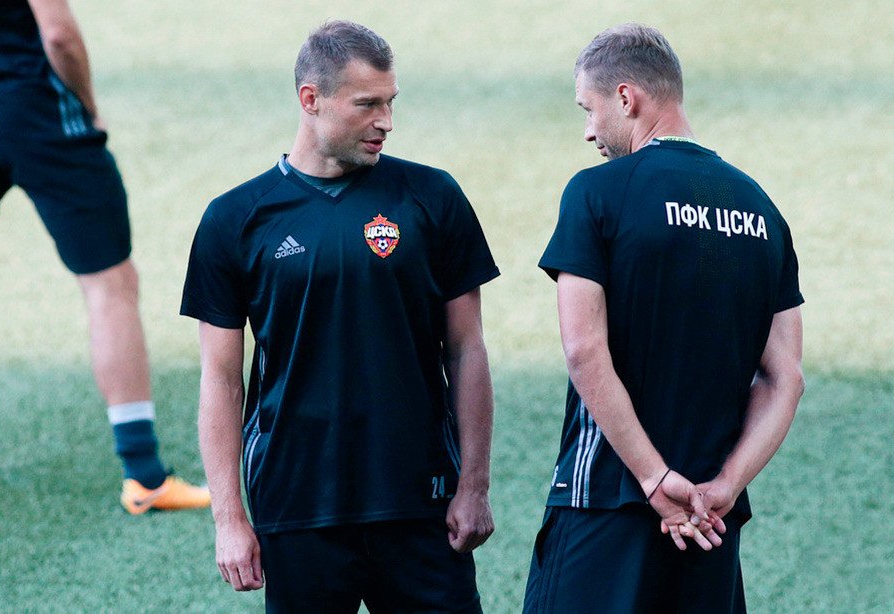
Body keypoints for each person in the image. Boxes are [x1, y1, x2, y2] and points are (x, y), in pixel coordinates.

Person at [181, 20, 499, 612]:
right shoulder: (235, 219)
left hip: (419, 500)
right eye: (367, 104)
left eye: (391, 102)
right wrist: (229, 518)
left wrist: (474, 485)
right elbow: (221, 380)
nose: (386, 121)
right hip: (297, 504)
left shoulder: (432, 197)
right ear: (311, 99)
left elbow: (466, 350)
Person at [523, 23, 805, 613]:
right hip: (710, 521)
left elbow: (584, 350)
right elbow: (785, 378)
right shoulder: (761, 208)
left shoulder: (597, 192)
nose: (589, 131)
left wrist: (652, 478)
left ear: (626, 97)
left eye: (589, 109)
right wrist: (727, 483)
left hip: (605, 503)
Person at [0, 0, 210, 514]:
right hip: (39, 115)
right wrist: (87, 103)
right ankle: (144, 476)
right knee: (110, 284)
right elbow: (59, 35)